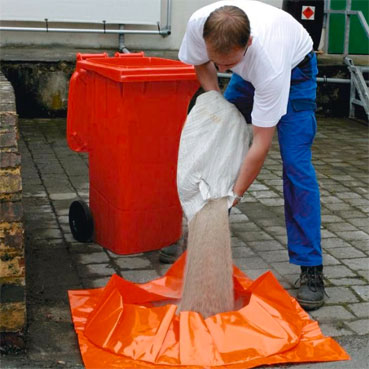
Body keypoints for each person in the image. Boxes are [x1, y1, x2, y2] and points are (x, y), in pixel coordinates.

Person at [160, 0, 325, 311]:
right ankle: (203, 236)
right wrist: (216, 102)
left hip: (294, 72)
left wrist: (233, 196)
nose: (221, 71)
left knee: (296, 167)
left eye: (228, 64)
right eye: (217, 63)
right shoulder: (199, 25)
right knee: (219, 140)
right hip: (248, 75)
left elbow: (259, 145)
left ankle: (311, 268)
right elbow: (202, 65)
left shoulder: (269, 63)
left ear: (248, 43)